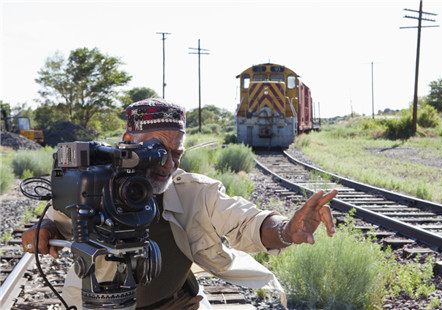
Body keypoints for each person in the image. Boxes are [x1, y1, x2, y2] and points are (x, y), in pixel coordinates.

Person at [22, 98, 338, 310]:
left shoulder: (195, 191)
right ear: (128, 142)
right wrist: (45, 228)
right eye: (158, 150)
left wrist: (286, 229)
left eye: (177, 154)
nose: (168, 164)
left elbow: (247, 223)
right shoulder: (92, 185)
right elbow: (57, 218)